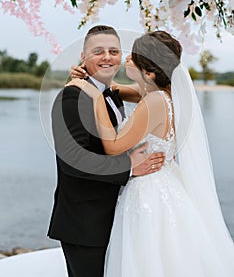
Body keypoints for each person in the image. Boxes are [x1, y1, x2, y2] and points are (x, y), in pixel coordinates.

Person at [67, 30, 234, 276]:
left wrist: (94, 98)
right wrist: (92, 79)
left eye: (133, 58)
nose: (125, 59)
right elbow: (120, 89)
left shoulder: (154, 102)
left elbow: (113, 146)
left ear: (149, 73)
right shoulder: (162, 94)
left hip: (148, 190)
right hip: (165, 182)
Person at [48, 25, 165, 277]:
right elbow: (74, 160)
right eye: (98, 51)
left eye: (113, 51)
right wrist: (130, 168)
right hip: (85, 223)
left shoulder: (112, 95)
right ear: (83, 57)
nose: (107, 57)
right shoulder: (71, 98)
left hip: (117, 218)